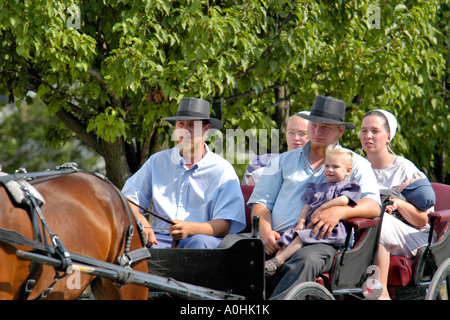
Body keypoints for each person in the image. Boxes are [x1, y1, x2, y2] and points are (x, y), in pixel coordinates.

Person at [247, 95, 381, 300]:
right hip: (276, 235)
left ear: (340, 130)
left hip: (319, 239)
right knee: (231, 246)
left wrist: (340, 211)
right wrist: (265, 231)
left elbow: (373, 206)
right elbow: (261, 203)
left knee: (304, 260)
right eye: (314, 126)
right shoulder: (282, 161)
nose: (318, 132)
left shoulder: (355, 163)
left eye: (326, 127)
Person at [122, 97, 246, 249]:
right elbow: (129, 199)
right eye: (181, 124)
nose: (185, 130)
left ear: (206, 129)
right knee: (134, 245)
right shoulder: (157, 161)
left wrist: (190, 228)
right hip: (160, 240)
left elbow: (224, 224)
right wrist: (141, 221)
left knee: (201, 242)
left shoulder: (222, 170)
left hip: (203, 241)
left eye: (192, 125)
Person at [360, 109, 436, 300]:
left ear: (388, 137)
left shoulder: (405, 170)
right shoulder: (357, 167)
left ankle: (381, 292)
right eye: (364, 131)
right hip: (368, 232)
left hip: (415, 236)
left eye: (375, 131)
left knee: (379, 221)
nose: (368, 136)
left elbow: (422, 220)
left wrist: (399, 203)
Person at [265, 146, 361, 276]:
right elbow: (307, 206)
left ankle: (279, 260)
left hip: (329, 230)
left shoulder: (347, 187)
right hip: (310, 226)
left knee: (300, 236)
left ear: (348, 171)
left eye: (335, 167)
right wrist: (300, 222)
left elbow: (343, 201)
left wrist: (322, 207)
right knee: (287, 238)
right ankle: (273, 265)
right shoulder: (317, 188)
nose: (330, 170)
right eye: (327, 166)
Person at [243, 111, 310, 185]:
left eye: (302, 133)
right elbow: (248, 194)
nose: (296, 138)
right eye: (291, 132)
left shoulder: (321, 169)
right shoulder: (262, 163)